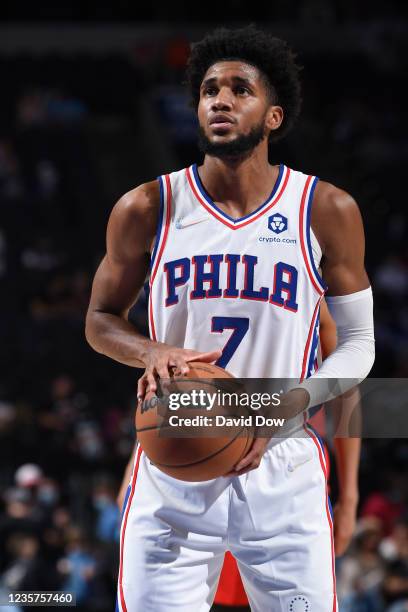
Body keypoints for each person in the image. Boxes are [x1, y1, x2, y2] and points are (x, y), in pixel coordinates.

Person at [86, 25, 374, 611]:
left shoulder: (325, 209)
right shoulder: (148, 206)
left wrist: (294, 406)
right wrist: (149, 352)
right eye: (209, 89)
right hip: (176, 443)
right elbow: (99, 318)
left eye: (240, 89)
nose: (219, 99)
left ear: (274, 115)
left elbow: (361, 344)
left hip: (284, 457)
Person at [115, 301, 362, 611]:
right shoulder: (172, 265)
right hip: (185, 460)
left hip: (279, 467)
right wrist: (141, 455)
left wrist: (350, 497)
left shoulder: (309, 281)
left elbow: (345, 387)